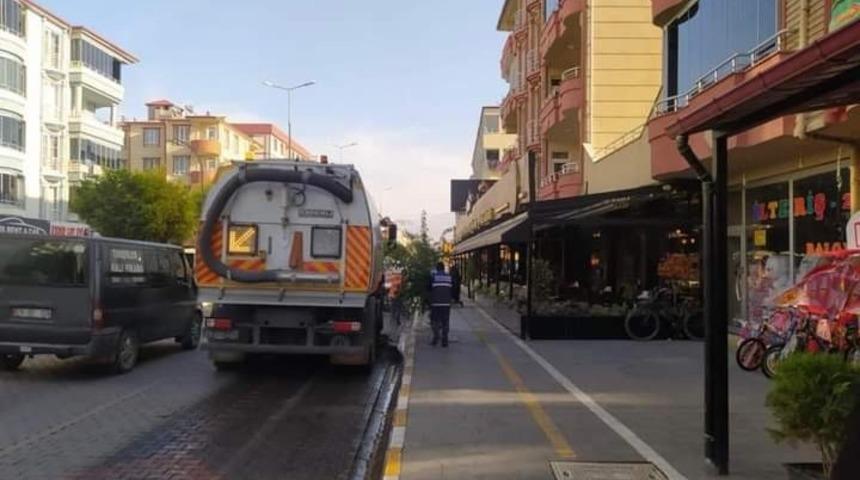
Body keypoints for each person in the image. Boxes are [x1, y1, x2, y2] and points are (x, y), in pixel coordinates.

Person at [427, 262, 453, 347]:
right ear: (443, 268)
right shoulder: (449, 277)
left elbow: (429, 289)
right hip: (446, 303)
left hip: (435, 303)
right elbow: (452, 288)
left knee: (435, 321)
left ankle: (436, 337)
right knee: (445, 321)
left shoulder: (433, 277)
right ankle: (444, 340)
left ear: (437, 268)